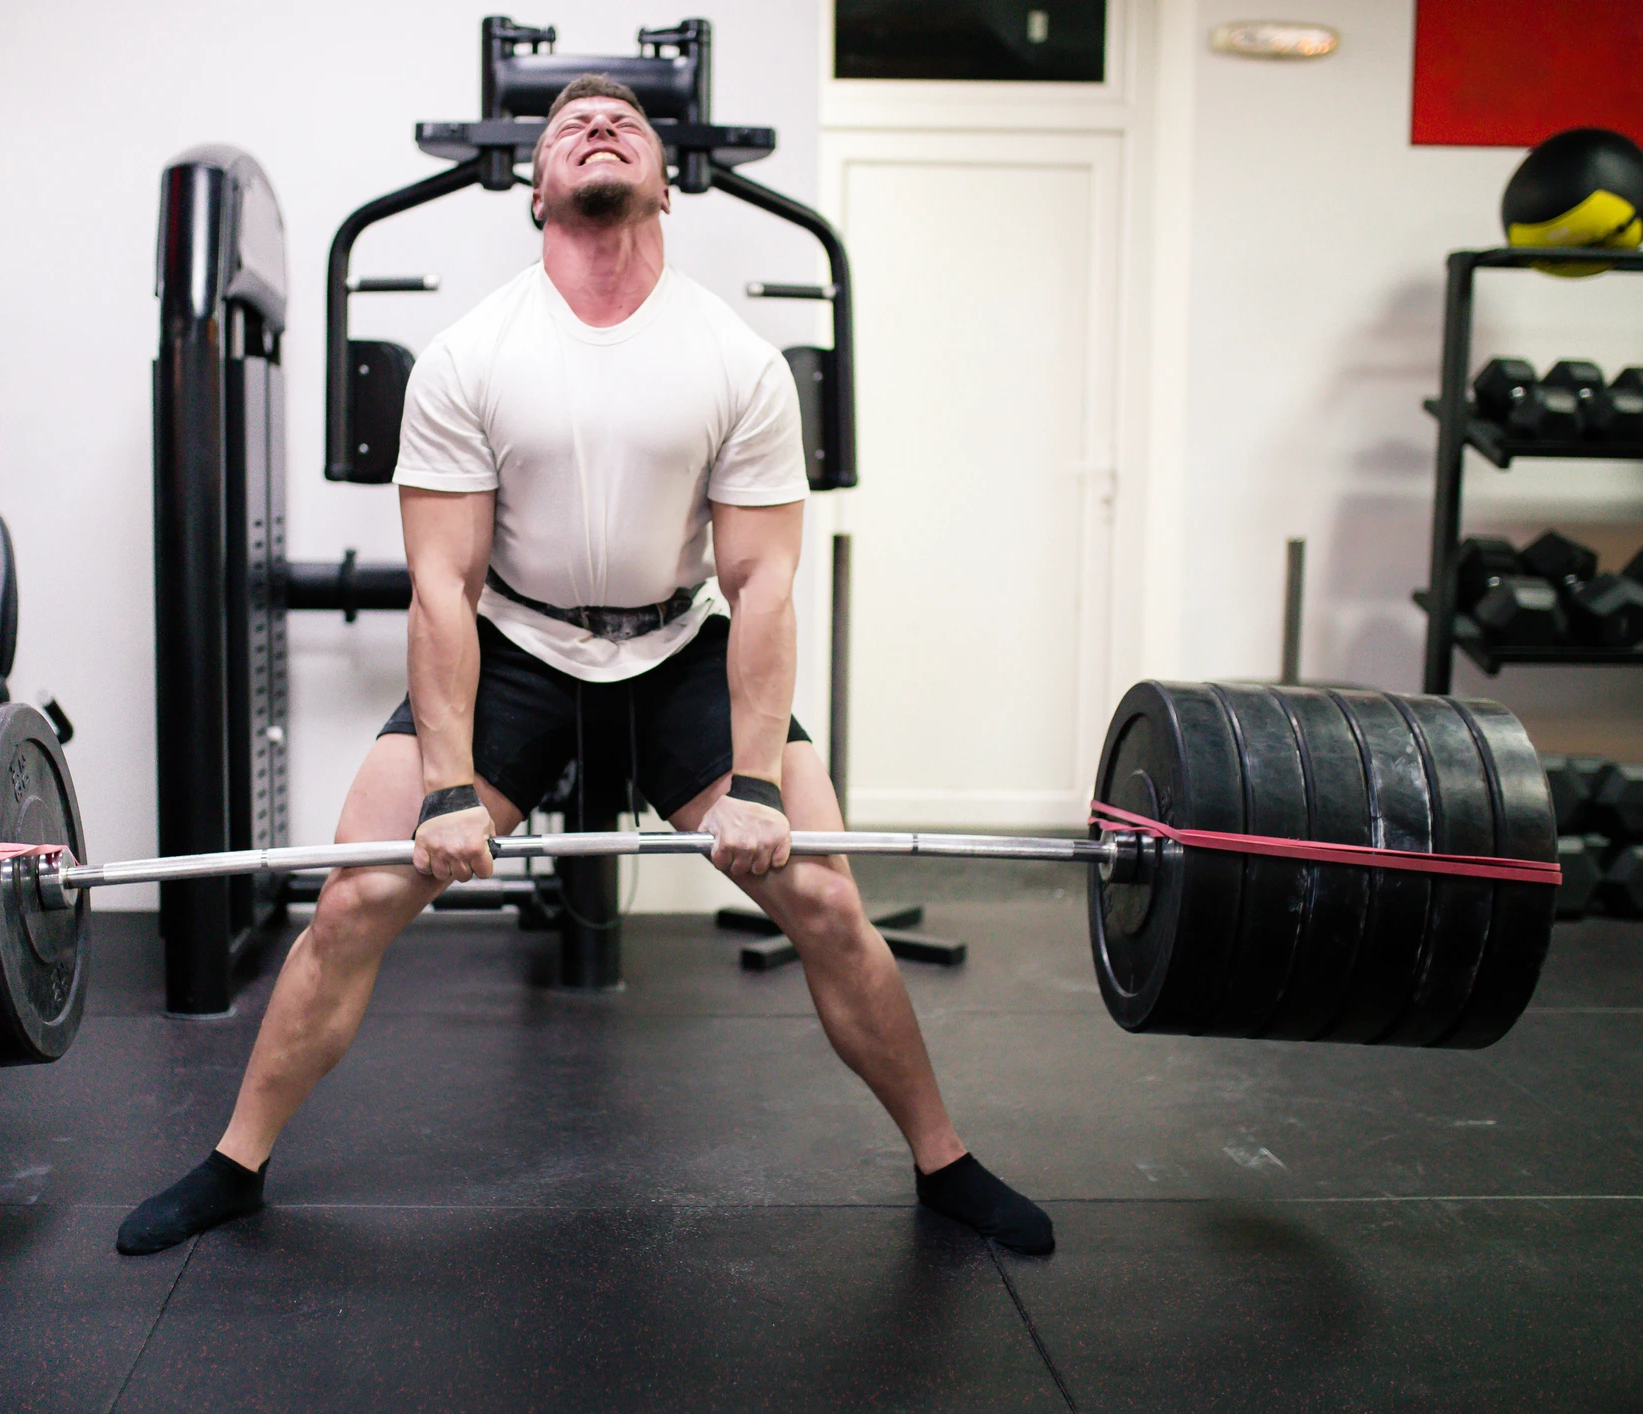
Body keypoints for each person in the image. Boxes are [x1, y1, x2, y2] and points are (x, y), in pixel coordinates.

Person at [117, 74, 1053, 1259]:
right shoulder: (471, 356)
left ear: (665, 181)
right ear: (537, 188)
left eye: (624, 126)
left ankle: (944, 1158)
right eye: (569, 128)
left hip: (675, 650)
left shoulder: (736, 361)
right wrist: (451, 787)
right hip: (513, 643)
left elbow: (761, 583)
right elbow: (442, 587)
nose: (597, 128)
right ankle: (233, 1162)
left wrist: (756, 781)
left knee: (821, 896)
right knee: (354, 899)